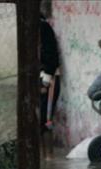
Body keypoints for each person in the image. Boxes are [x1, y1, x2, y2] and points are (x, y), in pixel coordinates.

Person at [40, 9, 60, 158]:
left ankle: (49, 157)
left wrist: (45, 82)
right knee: (39, 120)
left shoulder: (43, 28)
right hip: (38, 78)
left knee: (45, 119)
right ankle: (44, 157)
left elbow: (51, 57)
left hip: (48, 79)